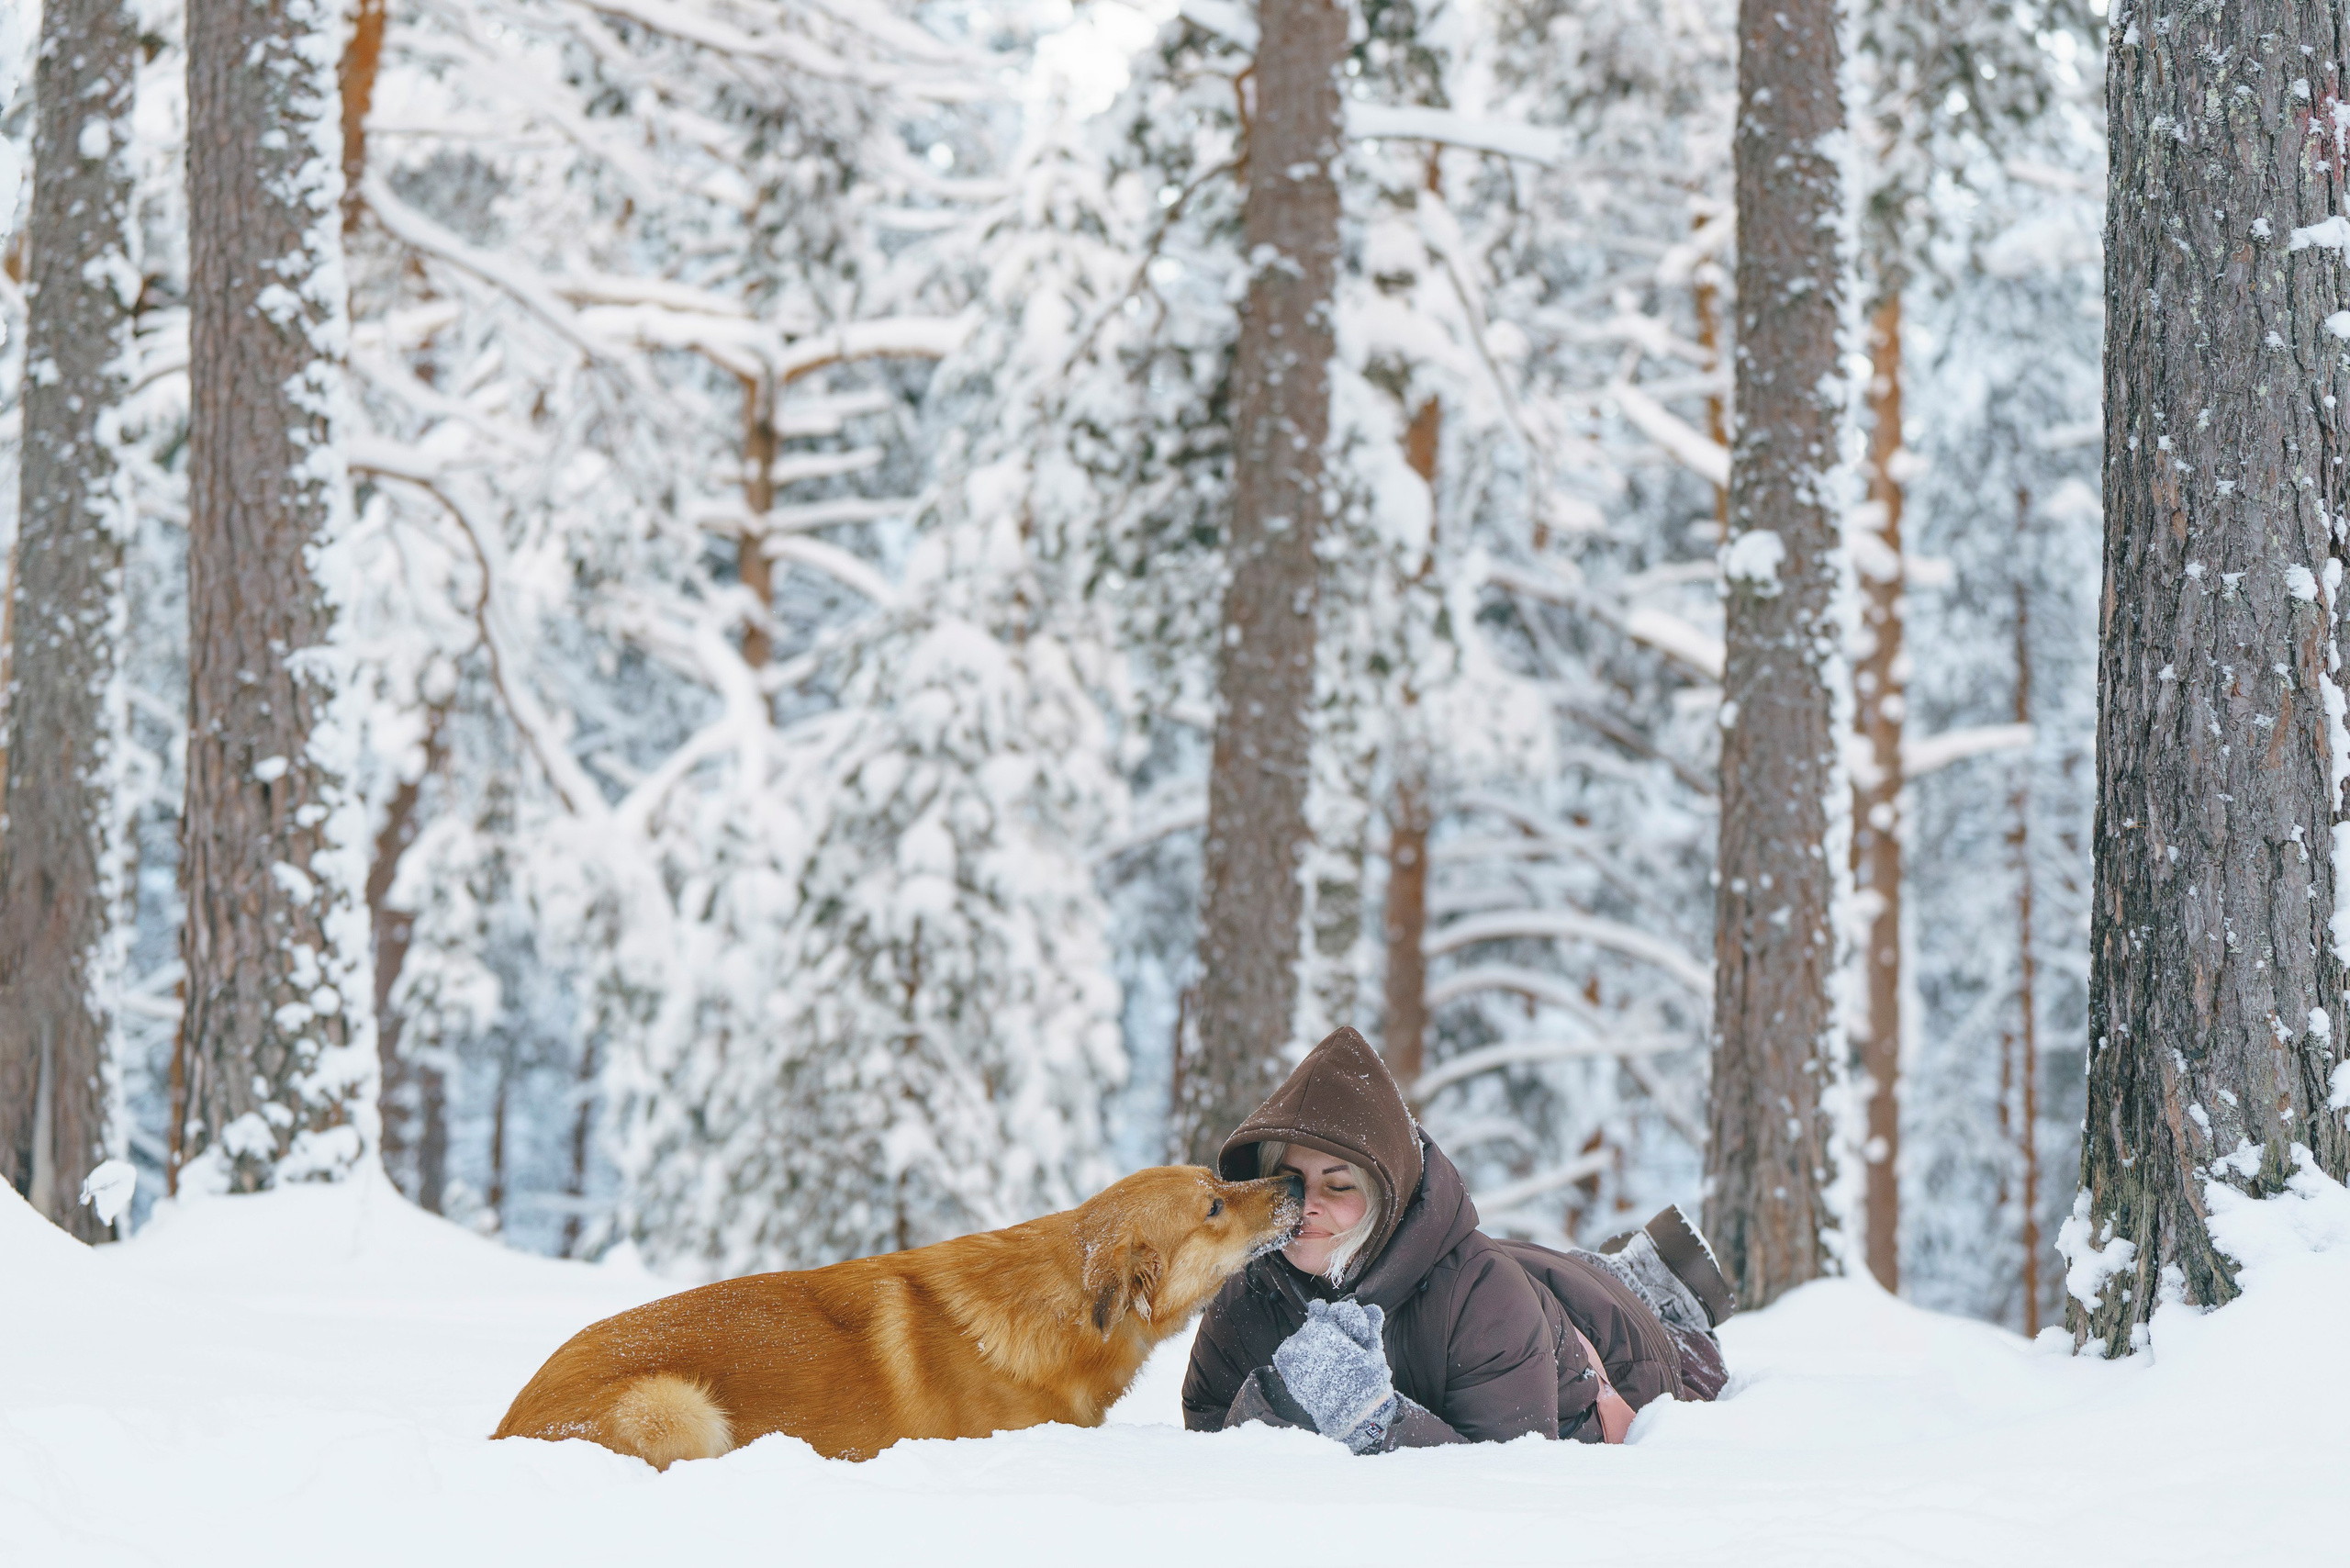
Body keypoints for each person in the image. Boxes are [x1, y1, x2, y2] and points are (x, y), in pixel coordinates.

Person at [1181, 1025, 1734, 1453]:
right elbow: (1208, 1439)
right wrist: (1273, 1400)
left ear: (1386, 1195)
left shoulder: (1481, 1295)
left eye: (1339, 1184)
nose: (1311, 1205)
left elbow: (1507, 1491)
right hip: (1523, 1284)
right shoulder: (1247, 1298)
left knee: (1680, 1354)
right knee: (1540, 1271)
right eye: (1291, 1183)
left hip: (1605, 1347)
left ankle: (1657, 1291)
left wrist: (1374, 1420)